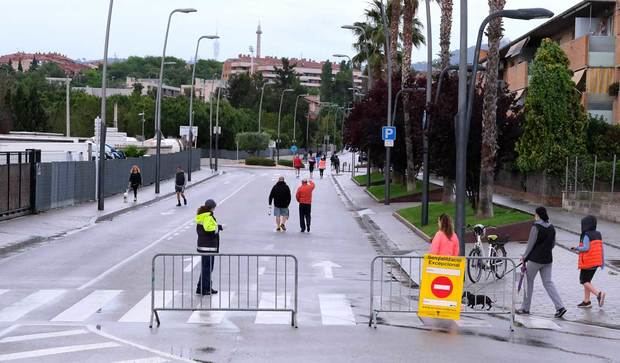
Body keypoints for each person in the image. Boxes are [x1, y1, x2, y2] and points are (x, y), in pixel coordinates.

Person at [517, 207, 567, 318]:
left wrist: (524, 257)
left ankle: (525, 308)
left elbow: (531, 243)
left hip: (535, 260)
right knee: (548, 283)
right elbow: (553, 244)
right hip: (548, 259)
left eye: (535, 214)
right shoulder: (551, 227)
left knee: (528, 282)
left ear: (537, 215)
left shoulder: (536, 227)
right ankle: (560, 307)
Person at [571, 215, 606, 308]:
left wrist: (576, 248)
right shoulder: (598, 234)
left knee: (583, 280)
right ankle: (587, 301)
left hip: (588, 262)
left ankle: (599, 294)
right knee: (588, 281)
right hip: (596, 262)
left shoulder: (586, 235)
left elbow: (586, 248)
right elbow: (601, 248)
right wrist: (602, 262)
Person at [195, 199, 222, 295]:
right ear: (212, 207)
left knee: (205, 267)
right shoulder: (207, 216)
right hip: (208, 246)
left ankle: (201, 287)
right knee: (208, 268)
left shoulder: (202, 215)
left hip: (204, 245)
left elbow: (208, 227)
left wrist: (219, 226)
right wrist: (219, 228)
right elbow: (209, 228)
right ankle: (205, 288)